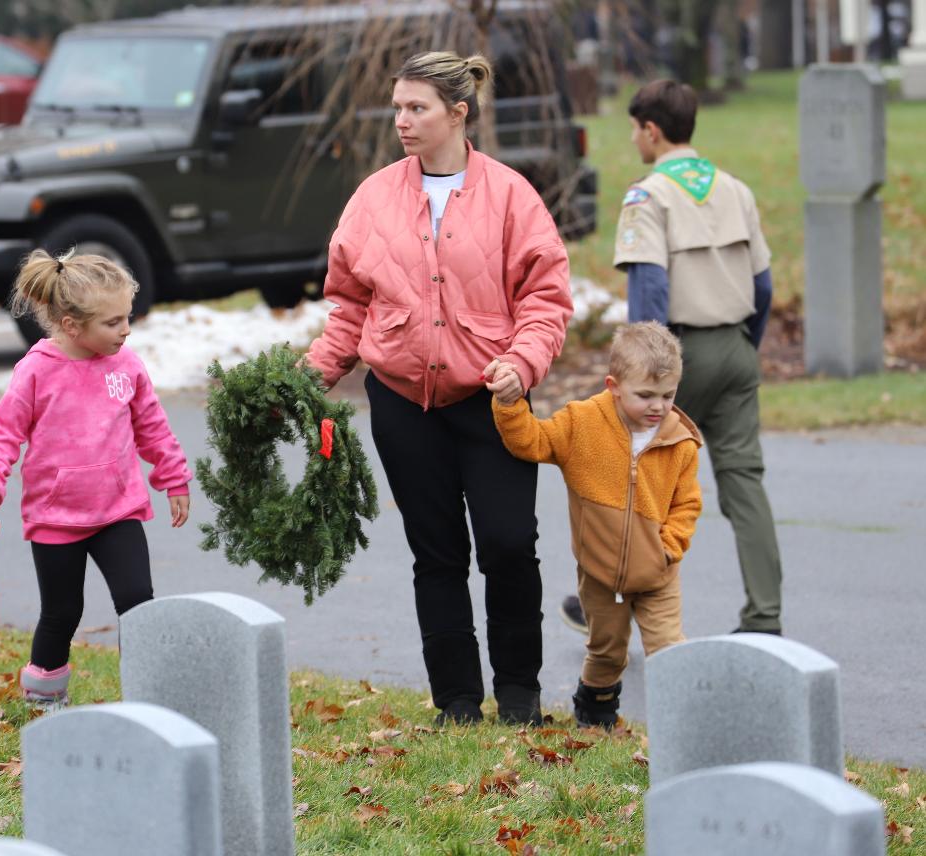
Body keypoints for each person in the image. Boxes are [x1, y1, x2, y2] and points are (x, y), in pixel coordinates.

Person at [304, 51, 572, 726]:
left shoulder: (512, 196)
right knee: (437, 553)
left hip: (494, 401)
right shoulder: (373, 198)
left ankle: (519, 694)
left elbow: (546, 297)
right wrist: (312, 374)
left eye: (416, 108)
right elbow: (350, 306)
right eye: (396, 107)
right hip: (401, 404)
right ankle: (456, 701)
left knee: (509, 544)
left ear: (459, 112)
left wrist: (524, 361)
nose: (402, 121)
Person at [561, 78, 783, 637]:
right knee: (744, 483)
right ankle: (764, 616)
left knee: (631, 483)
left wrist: (647, 367)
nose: (634, 139)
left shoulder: (648, 195)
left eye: (635, 129)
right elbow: (763, 286)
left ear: (651, 130)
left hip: (671, 358)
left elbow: (651, 290)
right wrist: (740, 347)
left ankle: (611, 601)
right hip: (735, 349)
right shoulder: (735, 189)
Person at [0, 250, 192, 709]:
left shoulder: (126, 366)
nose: (125, 330)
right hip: (56, 517)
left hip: (118, 510)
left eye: (127, 317)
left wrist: (173, 477)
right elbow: (4, 432)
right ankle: (44, 697)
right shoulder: (36, 370)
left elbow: (151, 424)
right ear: (71, 326)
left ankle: (147, 699)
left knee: (138, 601)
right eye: (112, 322)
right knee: (63, 612)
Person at [490, 322, 702, 727]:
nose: (658, 406)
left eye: (668, 395)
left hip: (659, 573)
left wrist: (668, 548)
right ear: (614, 385)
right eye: (645, 395)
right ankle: (596, 705)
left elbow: (687, 503)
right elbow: (531, 441)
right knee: (607, 652)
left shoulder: (680, 441)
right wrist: (510, 404)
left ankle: (683, 727)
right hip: (600, 574)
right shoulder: (582, 423)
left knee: (669, 649)